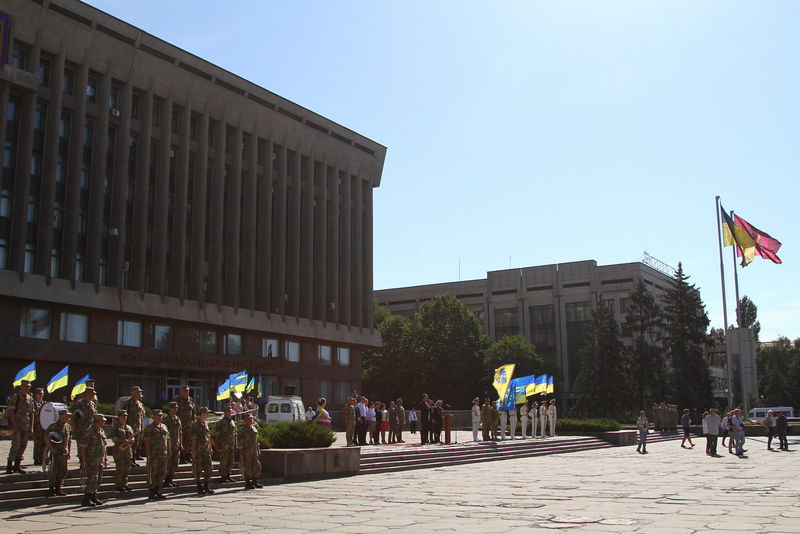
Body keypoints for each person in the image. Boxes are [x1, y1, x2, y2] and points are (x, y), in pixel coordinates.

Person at [6, 380, 35, 474]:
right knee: (16, 445)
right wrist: (14, 425)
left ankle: (17, 466)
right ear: (21, 387)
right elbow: (11, 412)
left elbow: (31, 414)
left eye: (29, 386)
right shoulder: (15, 397)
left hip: (25, 426)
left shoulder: (30, 399)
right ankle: (9, 465)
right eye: (25, 386)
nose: (27, 388)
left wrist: (31, 427)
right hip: (16, 425)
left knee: (23, 445)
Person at [80, 414, 108, 507]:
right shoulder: (89, 432)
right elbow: (83, 447)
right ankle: (86, 498)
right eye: (102, 420)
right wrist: (84, 461)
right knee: (92, 478)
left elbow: (104, 446)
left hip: (100, 459)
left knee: (98, 479)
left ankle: (93, 495)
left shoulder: (102, 431)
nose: (104, 422)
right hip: (91, 459)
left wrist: (105, 459)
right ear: (97, 421)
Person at [143, 409, 170, 500]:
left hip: (163, 453)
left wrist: (168, 451)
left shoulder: (164, 427)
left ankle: (158, 490)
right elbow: (146, 441)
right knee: (152, 473)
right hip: (153, 454)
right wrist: (148, 454)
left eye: (161, 416)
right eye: (158, 416)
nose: (160, 417)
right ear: (153, 417)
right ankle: (151, 492)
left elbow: (168, 440)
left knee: (161, 472)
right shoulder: (149, 428)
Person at [45, 408, 72, 496]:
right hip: (56, 451)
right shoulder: (54, 426)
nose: (67, 418)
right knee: (54, 470)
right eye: (66, 416)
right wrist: (50, 448)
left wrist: (69, 451)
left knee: (63, 471)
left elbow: (69, 440)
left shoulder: (68, 426)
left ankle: (58, 488)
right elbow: (46, 437)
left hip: (64, 452)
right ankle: (51, 488)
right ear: (60, 416)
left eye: (68, 416)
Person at [73, 386, 98, 467]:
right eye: (92, 394)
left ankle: (88, 463)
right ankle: (82, 463)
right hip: (81, 429)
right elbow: (74, 416)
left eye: (94, 394)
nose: (93, 395)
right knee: (81, 446)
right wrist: (75, 427)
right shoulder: (79, 403)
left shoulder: (92, 404)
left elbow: (95, 416)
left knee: (90, 446)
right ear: (87, 394)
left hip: (91, 429)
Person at [192, 407, 215, 495]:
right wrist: (193, 450)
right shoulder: (196, 425)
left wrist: (210, 447)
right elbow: (193, 438)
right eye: (206, 413)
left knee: (209, 468)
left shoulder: (206, 424)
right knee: (198, 469)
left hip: (206, 450)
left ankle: (206, 485)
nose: (207, 414)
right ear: (201, 413)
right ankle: (199, 486)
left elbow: (208, 437)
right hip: (198, 450)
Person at [111, 410, 135, 492]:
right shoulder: (116, 427)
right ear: (119, 417)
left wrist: (131, 440)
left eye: (125, 416)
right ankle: (118, 485)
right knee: (120, 469)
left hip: (128, 451)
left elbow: (132, 437)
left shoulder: (129, 427)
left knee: (127, 469)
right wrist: (122, 441)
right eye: (122, 416)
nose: (124, 417)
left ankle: (125, 484)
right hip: (119, 451)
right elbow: (113, 438)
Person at [238, 413, 263, 489]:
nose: (251, 420)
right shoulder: (242, 430)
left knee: (257, 466)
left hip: (254, 451)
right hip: (247, 452)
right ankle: (248, 483)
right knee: (247, 467)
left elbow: (256, 441)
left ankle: (255, 481)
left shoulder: (254, 429)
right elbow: (240, 443)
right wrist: (241, 454)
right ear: (245, 420)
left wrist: (258, 450)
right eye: (249, 418)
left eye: (251, 418)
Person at [214, 405, 237, 483]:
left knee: (230, 461)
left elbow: (235, 434)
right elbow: (217, 435)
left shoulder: (232, 422)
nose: (229, 413)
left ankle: (228, 475)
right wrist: (216, 445)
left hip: (231, 445)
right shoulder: (220, 423)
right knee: (224, 461)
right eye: (227, 412)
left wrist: (235, 444)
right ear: (224, 412)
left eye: (230, 411)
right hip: (223, 445)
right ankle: (223, 476)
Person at [163, 401, 182, 487]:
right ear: (170, 409)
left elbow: (180, 432)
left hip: (176, 444)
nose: (175, 409)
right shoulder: (166, 419)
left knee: (175, 463)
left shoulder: (177, 419)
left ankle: (171, 479)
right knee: (168, 463)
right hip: (169, 444)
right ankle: (166, 480)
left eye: (176, 408)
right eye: (173, 408)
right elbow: (164, 433)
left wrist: (180, 443)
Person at [124, 386, 145, 461]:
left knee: (137, 443)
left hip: (139, 427)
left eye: (140, 392)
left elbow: (142, 416)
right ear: (133, 393)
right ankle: (131, 459)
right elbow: (124, 416)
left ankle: (136, 456)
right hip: (131, 427)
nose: (140, 394)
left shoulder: (140, 404)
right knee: (131, 444)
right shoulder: (128, 403)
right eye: (138, 392)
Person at [176, 385, 195, 464]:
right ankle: (181, 457)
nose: (187, 392)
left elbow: (193, 411)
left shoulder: (190, 400)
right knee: (181, 441)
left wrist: (194, 419)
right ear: (181, 392)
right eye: (185, 391)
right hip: (180, 424)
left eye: (187, 391)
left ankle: (188, 455)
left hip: (189, 424)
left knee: (189, 441)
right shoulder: (177, 400)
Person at [32, 387, 46, 466]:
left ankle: (42, 458)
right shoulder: (33, 403)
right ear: (36, 394)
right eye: (40, 393)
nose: (41, 395)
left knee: (44, 444)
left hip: (43, 426)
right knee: (37, 444)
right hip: (36, 426)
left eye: (42, 393)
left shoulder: (44, 403)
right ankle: (36, 459)